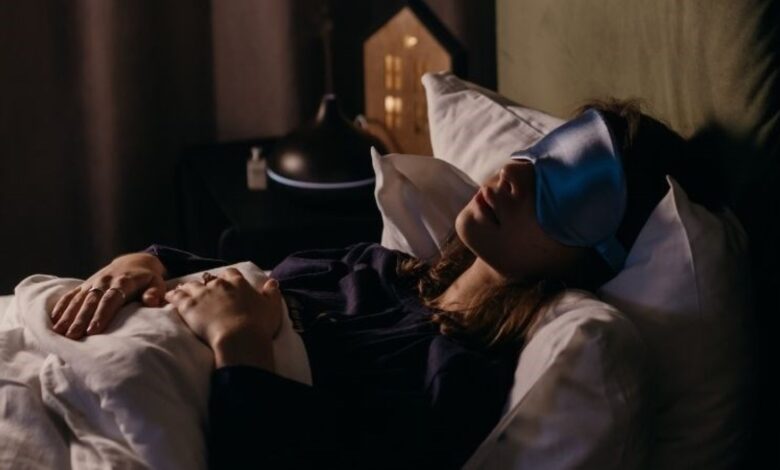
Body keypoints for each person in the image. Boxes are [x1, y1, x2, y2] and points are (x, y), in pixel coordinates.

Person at [48, 100, 704, 469]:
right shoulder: (376, 266)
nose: (512, 175)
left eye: (568, 188)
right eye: (538, 154)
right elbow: (237, 279)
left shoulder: (455, 379)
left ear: (599, 255)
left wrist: (239, 342)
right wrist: (142, 264)